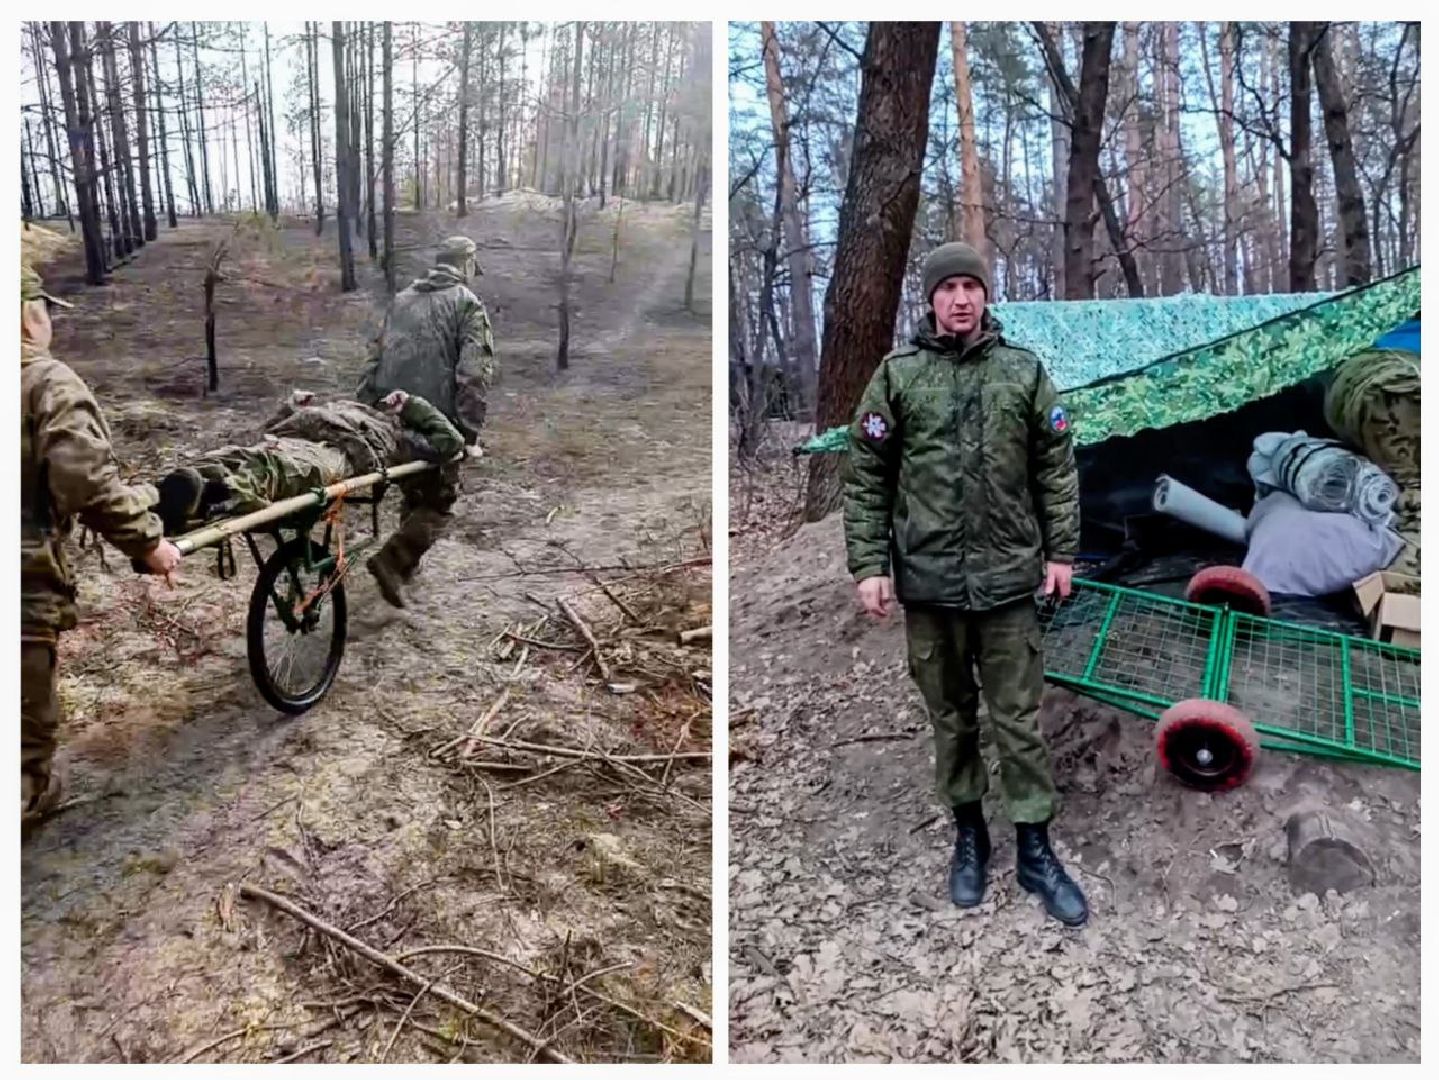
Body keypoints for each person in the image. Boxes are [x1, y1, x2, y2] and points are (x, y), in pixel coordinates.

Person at [843, 241, 1089, 927]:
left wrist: (1060, 552)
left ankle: (1035, 847)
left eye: (970, 287)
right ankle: (969, 835)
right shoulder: (897, 376)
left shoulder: (1023, 372)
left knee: (1017, 720)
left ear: (985, 296)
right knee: (950, 717)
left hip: (1009, 582)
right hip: (929, 586)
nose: (959, 299)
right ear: (928, 298)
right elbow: (866, 477)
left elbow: (1055, 469)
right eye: (947, 287)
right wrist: (868, 564)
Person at [21, 265, 183, 832]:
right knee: (23, 736)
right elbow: (83, 481)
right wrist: (150, 544)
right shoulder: (44, 381)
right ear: (29, 314)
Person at [154, 389, 464, 560]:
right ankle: (167, 494)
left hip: (341, 451)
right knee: (238, 455)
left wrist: (413, 405)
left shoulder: (399, 436)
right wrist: (290, 406)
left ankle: (220, 495)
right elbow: (268, 430)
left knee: (275, 466)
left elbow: (451, 443)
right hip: (297, 431)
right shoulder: (349, 406)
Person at [356, 235, 495, 603]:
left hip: (391, 420)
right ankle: (392, 561)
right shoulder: (467, 304)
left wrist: (367, 413)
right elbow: (474, 374)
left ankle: (406, 570)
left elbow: (374, 358)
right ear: (466, 264)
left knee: (415, 488)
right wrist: (467, 434)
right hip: (437, 424)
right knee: (439, 502)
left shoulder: (401, 301)